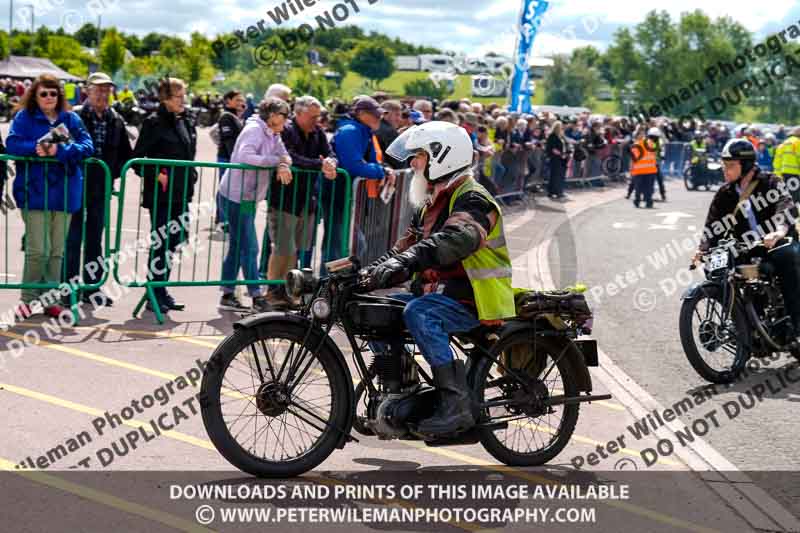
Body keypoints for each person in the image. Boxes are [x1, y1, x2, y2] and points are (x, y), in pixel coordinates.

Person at [360, 121, 514, 437]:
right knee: (376, 309)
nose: (413, 163)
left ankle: (455, 406)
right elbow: (406, 246)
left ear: (442, 156)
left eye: (418, 155)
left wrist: (408, 259)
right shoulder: (435, 199)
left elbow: (459, 237)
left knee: (420, 313)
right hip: (440, 293)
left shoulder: (473, 198)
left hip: (474, 298)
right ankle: (403, 391)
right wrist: (369, 274)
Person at [692, 139, 800, 342]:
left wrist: (778, 231)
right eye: (724, 165)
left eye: (730, 165)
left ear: (747, 165)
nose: (725, 170)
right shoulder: (725, 193)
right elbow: (713, 224)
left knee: (788, 256)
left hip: (777, 243)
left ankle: (796, 325)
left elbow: (785, 205)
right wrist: (703, 248)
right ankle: (742, 322)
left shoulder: (771, 182)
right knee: (718, 267)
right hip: (748, 248)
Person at [6, 74, 94, 318]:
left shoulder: (71, 118)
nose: (48, 97)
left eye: (53, 93)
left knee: (57, 251)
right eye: (43, 93)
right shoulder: (24, 117)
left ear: (60, 95)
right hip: (35, 192)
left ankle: (51, 299)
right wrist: (37, 148)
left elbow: (88, 146)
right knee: (38, 250)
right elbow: (12, 144)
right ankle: (27, 299)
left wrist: (60, 150)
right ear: (34, 95)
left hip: (66, 193)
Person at [263, 95, 338, 308]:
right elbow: (290, 156)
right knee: (282, 248)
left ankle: (287, 292)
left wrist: (331, 162)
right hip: (285, 199)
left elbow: (330, 153)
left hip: (307, 200)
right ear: (299, 113)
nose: (317, 120)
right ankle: (272, 292)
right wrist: (320, 164)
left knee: (294, 249)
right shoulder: (285, 130)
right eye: (313, 116)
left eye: (318, 116)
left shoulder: (318, 132)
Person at [217, 98, 292, 313]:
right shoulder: (254, 130)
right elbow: (245, 156)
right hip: (235, 195)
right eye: (283, 115)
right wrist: (276, 162)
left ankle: (227, 292)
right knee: (250, 246)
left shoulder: (273, 132)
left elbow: (285, 154)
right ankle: (257, 296)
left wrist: (283, 163)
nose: (286, 120)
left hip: (248, 197)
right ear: (272, 115)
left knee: (238, 245)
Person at [66, 72, 133, 306]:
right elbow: (59, 146)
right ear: (87, 90)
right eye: (98, 89)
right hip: (74, 185)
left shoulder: (116, 120)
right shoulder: (73, 116)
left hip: (101, 188)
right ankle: (68, 290)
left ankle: (92, 288)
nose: (103, 94)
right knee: (72, 238)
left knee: (95, 239)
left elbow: (126, 154)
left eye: (107, 89)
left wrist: (143, 170)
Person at [133, 77, 197, 314]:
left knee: (175, 240)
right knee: (161, 242)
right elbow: (137, 160)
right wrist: (156, 173)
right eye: (179, 96)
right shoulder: (153, 122)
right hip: (161, 195)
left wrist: (193, 173)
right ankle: (154, 292)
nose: (184, 101)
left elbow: (189, 154)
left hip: (181, 193)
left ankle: (161, 289)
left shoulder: (186, 121)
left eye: (184, 96)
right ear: (166, 99)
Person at [327, 96, 394, 269]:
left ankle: (331, 287)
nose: (379, 118)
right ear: (361, 113)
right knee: (339, 247)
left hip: (345, 194)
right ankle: (325, 288)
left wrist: (383, 170)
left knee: (346, 246)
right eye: (375, 114)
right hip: (336, 193)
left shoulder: (363, 130)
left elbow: (371, 161)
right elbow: (354, 166)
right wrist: (382, 172)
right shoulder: (350, 131)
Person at [214, 90, 246, 230]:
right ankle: (223, 219)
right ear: (228, 101)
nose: (241, 103)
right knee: (225, 188)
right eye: (237, 100)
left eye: (242, 100)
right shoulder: (226, 117)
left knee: (229, 189)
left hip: (232, 158)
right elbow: (229, 141)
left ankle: (224, 218)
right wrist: (236, 160)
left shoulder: (235, 116)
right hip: (227, 158)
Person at [630, 128, 659, 208]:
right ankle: (647, 202)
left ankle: (639, 201)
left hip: (641, 171)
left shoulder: (635, 145)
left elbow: (633, 159)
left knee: (639, 188)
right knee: (648, 188)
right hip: (648, 170)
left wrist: (631, 169)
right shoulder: (650, 143)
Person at [773, 126, 800, 202]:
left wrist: (777, 175)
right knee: (795, 198)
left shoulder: (783, 144)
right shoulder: (798, 142)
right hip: (795, 175)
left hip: (782, 175)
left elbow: (777, 161)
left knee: (784, 198)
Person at [546, 120, 569, 200]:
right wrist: (561, 154)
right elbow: (552, 148)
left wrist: (565, 153)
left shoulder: (561, 136)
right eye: (560, 127)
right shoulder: (552, 136)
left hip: (562, 158)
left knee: (560, 175)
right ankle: (554, 191)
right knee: (555, 175)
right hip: (555, 158)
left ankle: (559, 191)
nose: (562, 128)